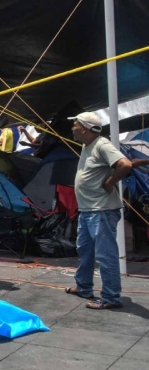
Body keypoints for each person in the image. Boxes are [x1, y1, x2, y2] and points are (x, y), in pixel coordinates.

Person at [66, 111, 149, 310]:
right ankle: (84, 286)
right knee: (85, 250)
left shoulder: (101, 144)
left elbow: (125, 164)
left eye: (75, 124)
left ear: (84, 128)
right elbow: (120, 163)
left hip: (101, 210)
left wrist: (111, 181)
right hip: (89, 210)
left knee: (105, 254)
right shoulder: (89, 145)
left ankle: (111, 296)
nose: (72, 128)